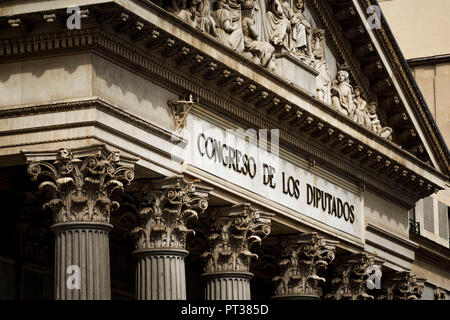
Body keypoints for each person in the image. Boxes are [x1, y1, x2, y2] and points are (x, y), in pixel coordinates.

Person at [241, 0, 276, 70]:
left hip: (247, 41)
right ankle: (263, 66)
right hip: (249, 43)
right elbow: (256, 34)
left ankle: (262, 62)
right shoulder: (248, 20)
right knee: (270, 48)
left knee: (268, 48)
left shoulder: (243, 19)